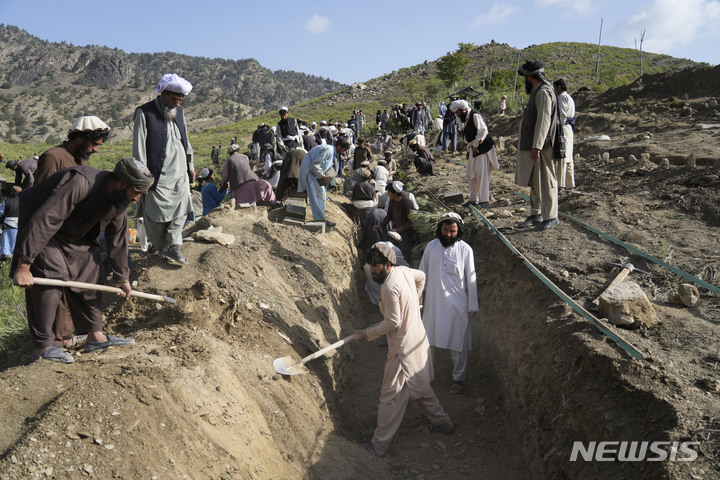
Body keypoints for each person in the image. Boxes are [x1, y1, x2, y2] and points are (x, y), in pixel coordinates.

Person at [11, 158, 154, 364]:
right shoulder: (80, 183)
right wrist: (24, 265)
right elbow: (46, 220)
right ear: (122, 184)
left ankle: (95, 336)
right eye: (137, 191)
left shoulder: (119, 199)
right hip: (41, 227)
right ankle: (42, 348)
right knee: (51, 275)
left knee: (93, 272)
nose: (138, 198)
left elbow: (118, 237)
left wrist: (121, 276)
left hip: (73, 235)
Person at [353, 243, 455, 456]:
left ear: (388, 265)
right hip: (417, 338)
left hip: (403, 350)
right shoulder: (404, 271)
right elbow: (422, 277)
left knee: (390, 397)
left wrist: (366, 333)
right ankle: (445, 424)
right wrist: (416, 303)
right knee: (421, 388)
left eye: (376, 266)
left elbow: (392, 322)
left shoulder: (389, 288)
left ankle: (378, 446)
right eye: (370, 266)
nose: (372, 271)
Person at [132, 73, 195, 265]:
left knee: (184, 204)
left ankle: (172, 243)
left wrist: (190, 165)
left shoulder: (180, 113)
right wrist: (142, 177)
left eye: (180, 99)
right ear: (163, 93)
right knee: (154, 214)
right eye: (174, 98)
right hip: (157, 176)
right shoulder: (144, 113)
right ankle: (162, 246)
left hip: (180, 173)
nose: (177, 103)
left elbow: (186, 140)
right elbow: (139, 148)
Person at [419, 213, 478, 395]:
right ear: (440, 229)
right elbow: (421, 275)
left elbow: (471, 278)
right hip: (433, 305)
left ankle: (458, 379)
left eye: (453, 231)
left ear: (458, 230)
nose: (449, 234)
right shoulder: (431, 247)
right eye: (445, 230)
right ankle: (425, 377)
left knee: (457, 343)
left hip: (457, 306)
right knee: (427, 343)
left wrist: (472, 306)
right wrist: (418, 298)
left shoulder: (465, 250)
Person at [515, 61, 560, 231]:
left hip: (542, 147)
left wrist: (537, 146)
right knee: (535, 182)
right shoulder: (537, 92)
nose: (525, 80)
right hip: (534, 146)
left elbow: (544, 121)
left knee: (546, 180)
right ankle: (536, 214)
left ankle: (551, 216)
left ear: (530, 76)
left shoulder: (543, 92)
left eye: (526, 77)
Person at [450, 99, 499, 208]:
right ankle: (473, 199)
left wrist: (476, 144)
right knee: (470, 174)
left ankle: (484, 201)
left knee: (482, 176)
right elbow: (470, 132)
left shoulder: (475, 115)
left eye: (457, 112)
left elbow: (483, 130)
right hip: (473, 150)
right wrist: (465, 143)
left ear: (463, 110)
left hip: (482, 149)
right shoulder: (466, 118)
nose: (457, 115)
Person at [35, 116, 111, 183]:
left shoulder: (80, 158)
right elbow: (40, 193)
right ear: (79, 138)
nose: (96, 149)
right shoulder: (53, 157)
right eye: (94, 144)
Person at [297, 140, 350, 228]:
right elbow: (315, 163)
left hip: (315, 172)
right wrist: (322, 176)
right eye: (344, 150)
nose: (344, 152)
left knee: (322, 193)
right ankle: (319, 219)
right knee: (317, 193)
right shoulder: (328, 150)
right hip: (310, 171)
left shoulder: (332, 152)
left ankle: (322, 218)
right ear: (339, 147)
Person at [373, 181, 415, 262]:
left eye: (389, 192)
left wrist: (398, 230)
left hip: (406, 235)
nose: (388, 194)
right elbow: (389, 216)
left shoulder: (407, 204)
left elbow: (410, 222)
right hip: (395, 234)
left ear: (395, 194)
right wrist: (381, 225)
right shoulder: (392, 202)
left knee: (405, 257)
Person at [554, 78, 576, 193]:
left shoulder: (562, 97)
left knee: (562, 156)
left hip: (563, 128)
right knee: (568, 157)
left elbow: (562, 114)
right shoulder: (570, 98)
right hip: (569, 129)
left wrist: (557, 127)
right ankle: (570, 185)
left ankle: (561, 185)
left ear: (558, 87)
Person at [0, 187, 19, 261]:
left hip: (7, 224)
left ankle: (4, 259)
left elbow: (1, 213)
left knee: (6, 242)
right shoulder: (22, 201)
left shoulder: (6, 201)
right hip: (18, 224)